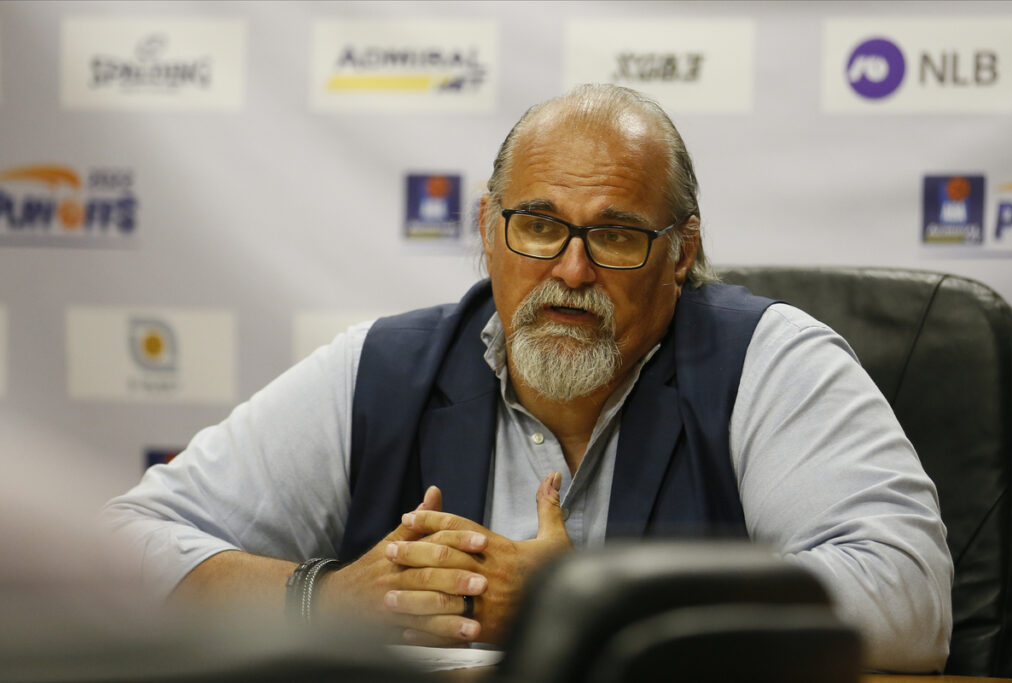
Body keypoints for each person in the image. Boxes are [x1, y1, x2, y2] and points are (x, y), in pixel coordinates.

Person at [103, 84, 952, 671]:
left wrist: (586, 598)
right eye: (538, 226)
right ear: (487, 226)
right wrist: (325, 599)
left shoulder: (772, 362)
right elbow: (121, 546)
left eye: (616, 235)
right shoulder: (382, 369)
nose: (571, 270)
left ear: (681, 253)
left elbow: (911, 595)